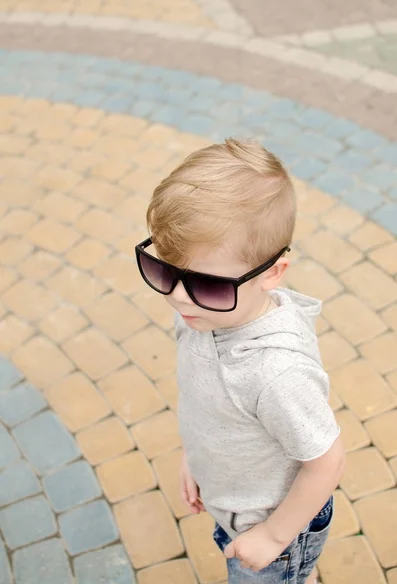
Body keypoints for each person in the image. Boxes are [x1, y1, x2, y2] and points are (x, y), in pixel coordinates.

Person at [135, 138, 345, 584]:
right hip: (234, 499)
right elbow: (208, 399)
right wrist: (195, 456)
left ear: (271, 273)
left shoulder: (276, 373)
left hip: (274, 523)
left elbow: (326, 462)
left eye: (207, 284)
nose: (176, 296)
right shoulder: (202, 315)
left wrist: (272, 536)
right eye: (165, 270)